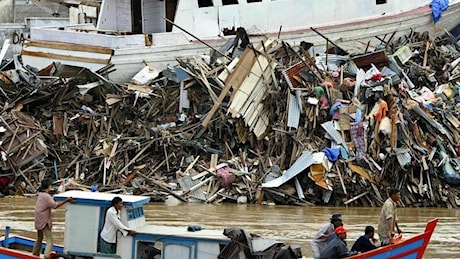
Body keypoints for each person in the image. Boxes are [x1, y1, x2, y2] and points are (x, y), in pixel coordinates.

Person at [32, 179, 74, 258]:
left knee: (39, 238)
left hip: (38, 219)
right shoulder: (46, 196)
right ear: (48, 187)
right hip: (44, 221)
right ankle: (46, 256)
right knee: (50, 241)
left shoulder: (41, 194)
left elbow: (50, 201)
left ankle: (35, 255)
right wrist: (67, 200)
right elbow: (55, 206)